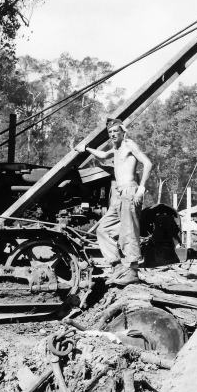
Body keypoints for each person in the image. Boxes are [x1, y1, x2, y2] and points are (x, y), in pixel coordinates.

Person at [75, 118, 152, 286]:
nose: (113, 134)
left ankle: (132, 271)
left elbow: (147, 163)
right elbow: (103, 155)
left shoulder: (129, 144)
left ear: (123, 131)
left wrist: (142, 187)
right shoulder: (116, 149)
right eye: (110, 132)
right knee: (103, 230)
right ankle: (117, 267)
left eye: (116, 131)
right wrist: (86, 149)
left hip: (131, 192)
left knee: (129, 232)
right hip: (119, 195)